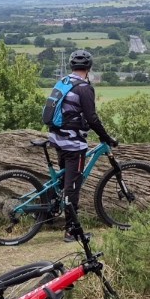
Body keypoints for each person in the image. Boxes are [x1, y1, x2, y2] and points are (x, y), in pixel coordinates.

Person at [47, 49, 117, 242]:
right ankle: (71, 231)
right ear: (88, 68)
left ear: (72, 67)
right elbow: (92, 118)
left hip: (57, 138)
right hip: (73, 144)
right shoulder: (84, 88)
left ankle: (53, 210)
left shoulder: (64, 82)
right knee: (73, 187)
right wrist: (107, 137)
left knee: (64, 181)